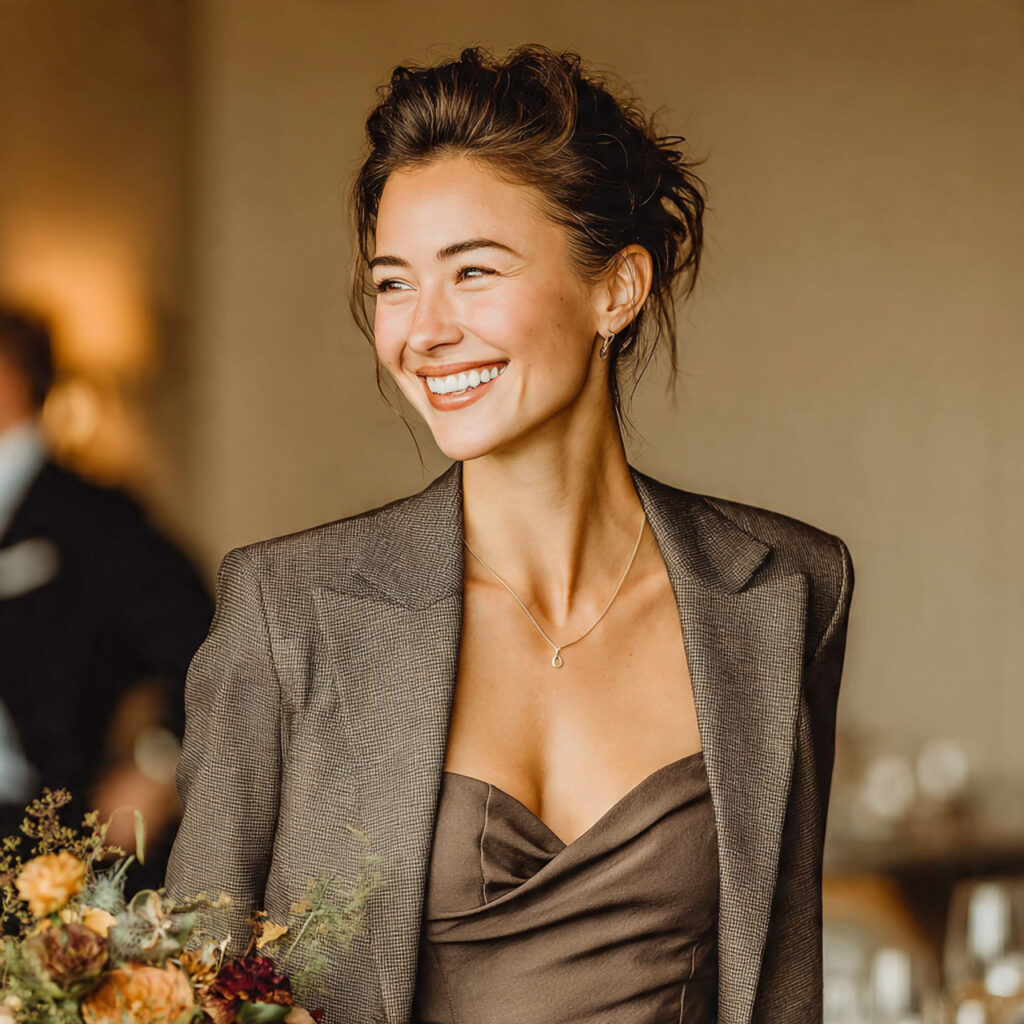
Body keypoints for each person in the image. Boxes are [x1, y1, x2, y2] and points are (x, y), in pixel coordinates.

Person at [165, 45, 855, 1024]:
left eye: (473, 272)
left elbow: (781, 978)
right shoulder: (288, 611)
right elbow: (184, 994)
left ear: (615, 291)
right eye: (395, 283)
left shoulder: (787, 588)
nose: (423, 330)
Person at [0, 306, 213, 892]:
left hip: (38, 836)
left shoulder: (96, 520)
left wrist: (157, 767)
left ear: (10, 378)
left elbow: (211, 644)